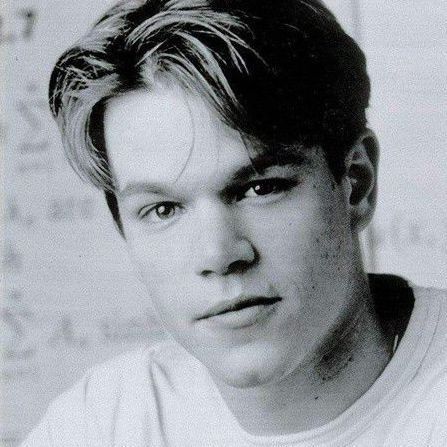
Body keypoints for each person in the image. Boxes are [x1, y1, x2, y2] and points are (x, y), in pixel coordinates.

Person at [22, 0, 447, 445]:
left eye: (260, 188)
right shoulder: (101, 422)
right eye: (163, 209)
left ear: (356, 183)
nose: (218, 256)